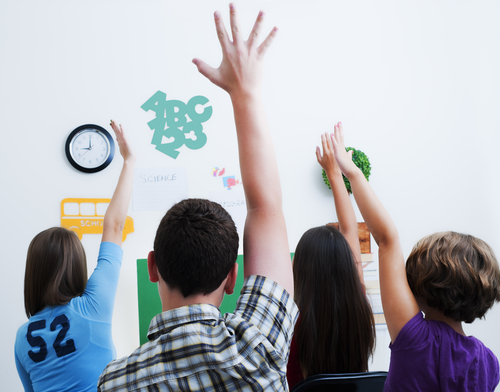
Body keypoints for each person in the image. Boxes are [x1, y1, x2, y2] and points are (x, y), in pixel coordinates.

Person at [98, 5, 298, 391]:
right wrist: (245, 93)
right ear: (232, 277)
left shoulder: (116, 382)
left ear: (152, 267)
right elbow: (266, 206)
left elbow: (265, 206)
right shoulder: (258, 346)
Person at [330, 123, 500, 391]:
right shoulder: (489, 362)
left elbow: (387, 239)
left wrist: (351, 172)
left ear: (420, 286)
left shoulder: (416, 338)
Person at [14, 120, 136, 392]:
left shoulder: (22, 337)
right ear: (76, 267)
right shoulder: (93, 306)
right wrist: (129, 161)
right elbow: (114, 226)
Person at [286, 125, 376, 389]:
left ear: (300, 270)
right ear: (348, 267)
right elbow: (349, 229)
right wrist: (335, 172)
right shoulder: (359, 307)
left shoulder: (290, 323)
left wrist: (333, 171)